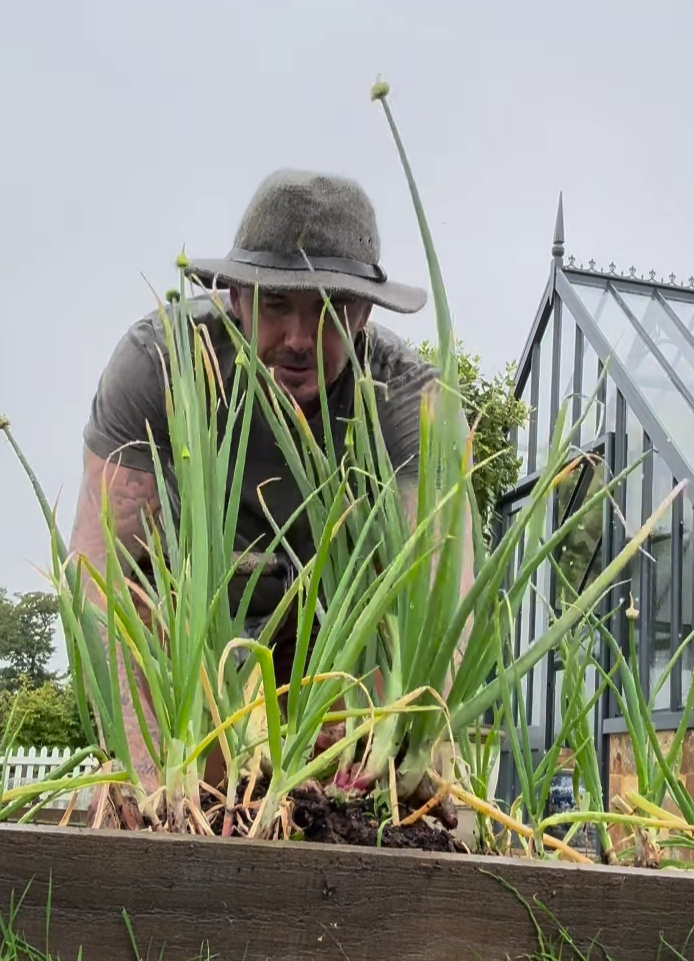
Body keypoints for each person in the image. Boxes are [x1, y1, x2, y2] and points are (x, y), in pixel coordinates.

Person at [69, 168, 475, 791]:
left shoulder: (405, 399)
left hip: (329, 638)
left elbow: (443, 597)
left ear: (365, 311)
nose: (297, 339)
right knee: (183, 779)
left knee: (376, 791)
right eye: (276, 304)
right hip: (189, 636)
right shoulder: (162, 363)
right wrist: (146, 770)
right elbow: (98, 581)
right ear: (236, 297)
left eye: (330, 312)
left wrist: (403, 737)